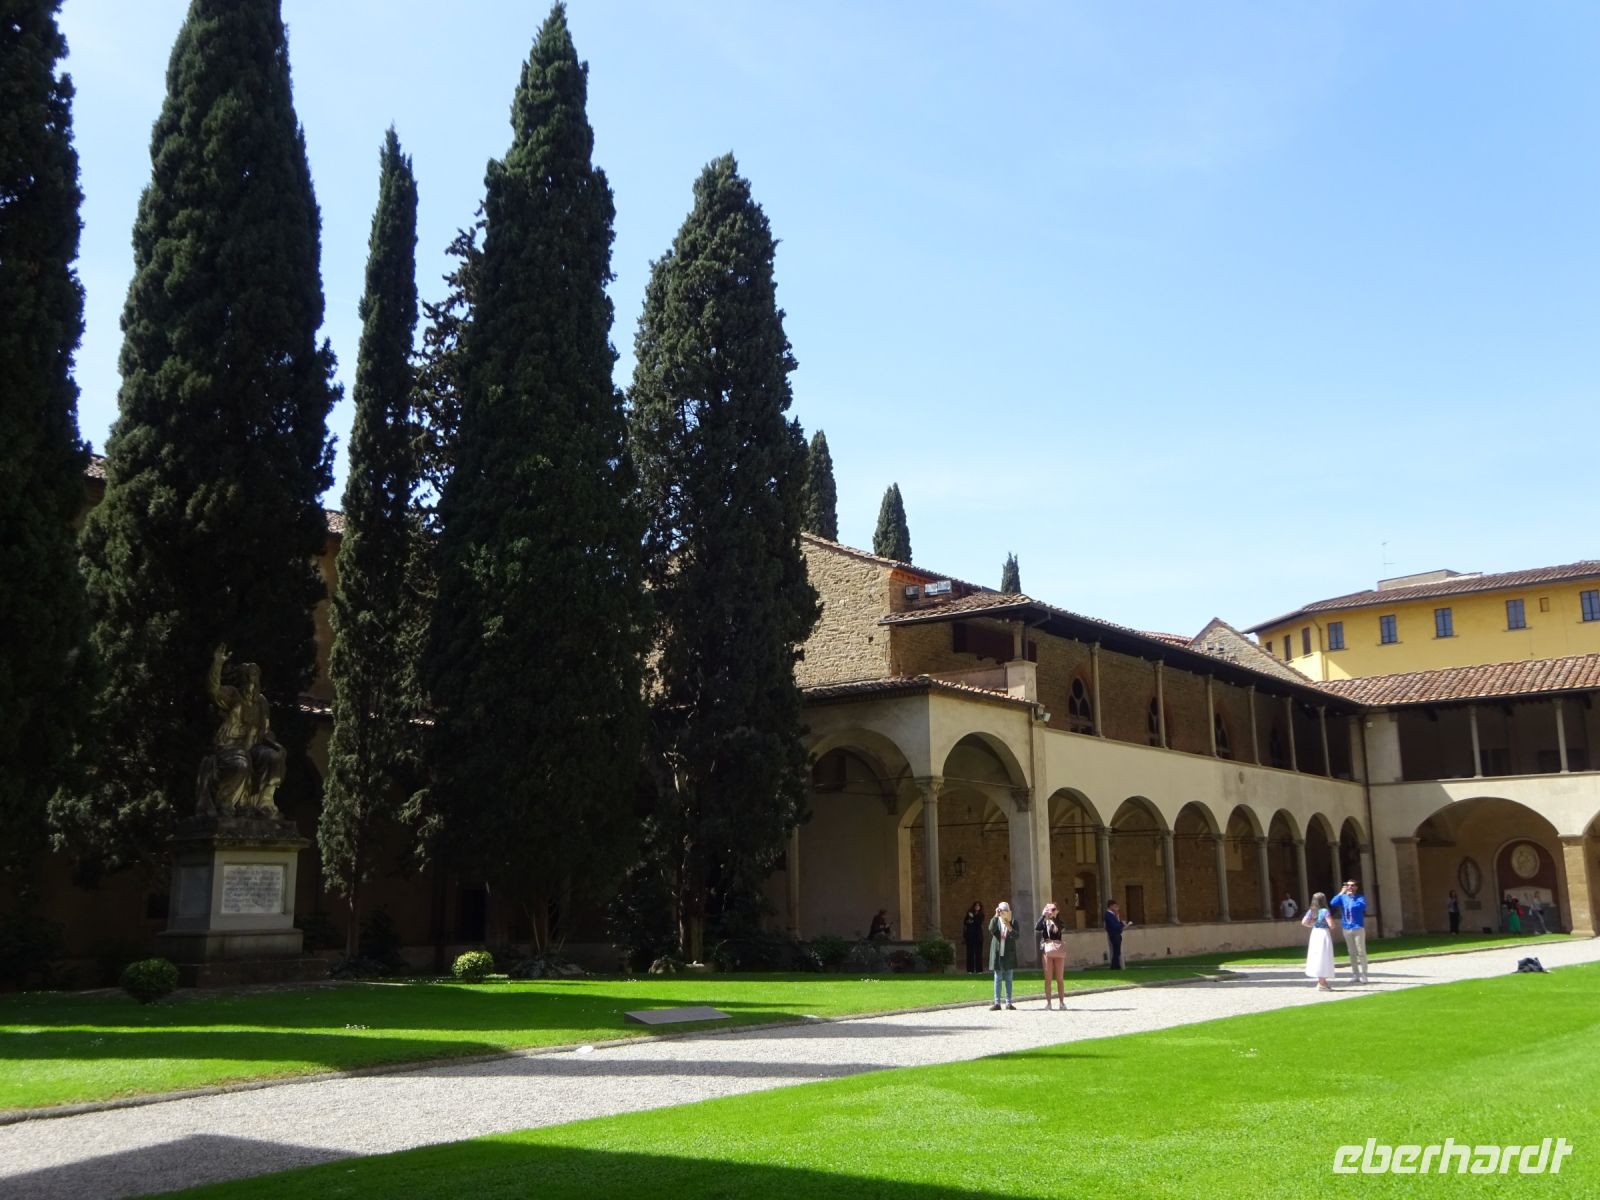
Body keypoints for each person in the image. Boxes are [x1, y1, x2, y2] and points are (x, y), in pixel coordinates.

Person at [1328, 879, 1368, 985]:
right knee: (1351, 952)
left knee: (1361, 952)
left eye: (1352, 885)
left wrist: (1352, 898)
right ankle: (1355, 974)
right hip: (1346, 927)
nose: (1350, 887)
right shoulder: (1343, 897)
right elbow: (1332, 903)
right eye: (1348, 885)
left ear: (1356, 887)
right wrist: (1341, 893)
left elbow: (1360, 907)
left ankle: (1364, 974)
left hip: (1358, 927)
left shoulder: (1360, 898)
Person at [1036, 902, 1067, 1009]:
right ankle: (1048, 1003)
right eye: (1050, 909)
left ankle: (1061, 1002)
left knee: (1060, 978)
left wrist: (1054, 917)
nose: (1051, 911)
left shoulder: (1059, 921)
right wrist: (1043, 916)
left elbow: (1061, 928)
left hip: (1058, 950)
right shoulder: (1045, 922)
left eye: (1053, 909)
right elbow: (1037, 927)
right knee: (1048, 978)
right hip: (1047, 951)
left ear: (1057, 911)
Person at [1302, 891, 1335, 991]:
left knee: (1317, 956)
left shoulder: (1311, 911)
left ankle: (1322, 981)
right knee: (1324, 956)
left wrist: (1313, 924)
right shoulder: (1325, 911)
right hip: (1323, 933)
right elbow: (1331, 925)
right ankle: (1322, 983)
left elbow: (1304, 922)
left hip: (1315, 933)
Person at [988, 901, 1018, 1010]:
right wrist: (996, 915)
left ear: (1009, 911)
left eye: (1005, 910)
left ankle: (1008, 1002)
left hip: (1008, 954)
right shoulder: (996, 921)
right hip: (998, 953)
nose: (1003, 912)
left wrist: (1009, 926)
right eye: (1001, 910)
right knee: (998, 978)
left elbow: (1016, 936)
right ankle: (997, 1003)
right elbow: (991, 929)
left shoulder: (1013, 921)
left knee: (1009, 978)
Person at [1103, 899, 1128, 970]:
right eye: (1114, 906)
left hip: (1117, 934)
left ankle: (1116, 965)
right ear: (1110, 906)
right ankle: (1115, 966)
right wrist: (1122, 925)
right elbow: (1114, 925)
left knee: (1117, 951)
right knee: (1116, 951)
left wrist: (1121, 921)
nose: (1116, 908)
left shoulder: (1114, 914)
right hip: (1113, 934)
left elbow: (1117, 922)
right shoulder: (1108, 914)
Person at [961, 902, 985, 974]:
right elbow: (965, 922)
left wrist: (973, 917)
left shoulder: (981, 914)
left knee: (978, 953)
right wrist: (969, 921)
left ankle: (979, 970)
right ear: (974, 906)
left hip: (978, 936)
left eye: (979, 905)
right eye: (976, 905)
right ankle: (970, 970)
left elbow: (979, 922)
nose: (977, 906)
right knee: (970, 953)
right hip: (970, 936)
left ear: (980, 907)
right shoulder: (969, 913)